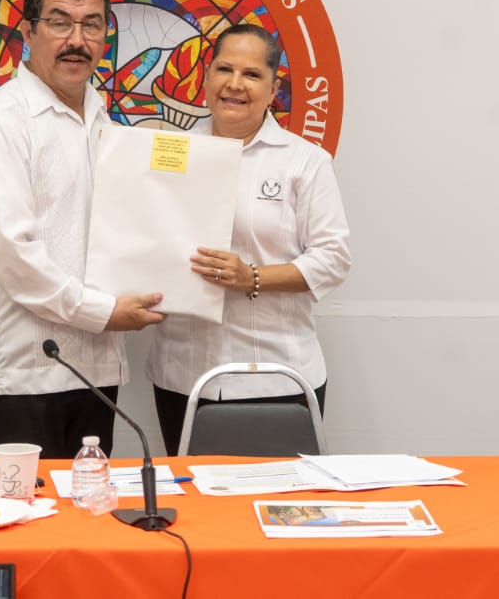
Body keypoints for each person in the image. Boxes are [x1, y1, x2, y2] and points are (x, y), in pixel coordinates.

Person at [0, 0, 164, 460]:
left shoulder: (100, 117)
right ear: (28, 32)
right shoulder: (0, 123)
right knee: (24, 509)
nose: (77, 40)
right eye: (60, 22)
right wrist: (103, 312)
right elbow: (12, 256)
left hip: (95, 370)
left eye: (91, 25)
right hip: (23, 372)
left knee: (91, 502)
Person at [146, 24, 351, 456]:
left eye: (252, 74)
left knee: (279, 494)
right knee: (195, 495)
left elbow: (333, 259)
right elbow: (144, 239)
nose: (235, 84)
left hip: (277, 376)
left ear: (274, 89)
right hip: (184, 375)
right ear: (206, 77)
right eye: (224, 69)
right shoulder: (167, 153)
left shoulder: (304, 162)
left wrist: (251, 277)